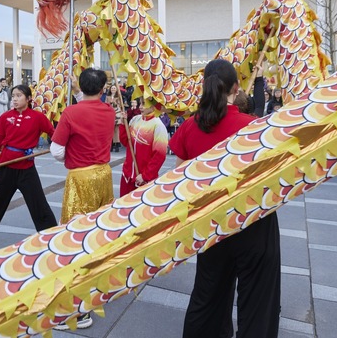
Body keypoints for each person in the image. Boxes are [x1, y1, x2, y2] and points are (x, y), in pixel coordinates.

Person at [168, 59, 280, 338]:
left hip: (210, 224)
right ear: (236, 87)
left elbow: (178, 179)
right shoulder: (253, 126)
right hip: (253, 220)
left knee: (208, 298)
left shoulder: (190, 127)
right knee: (257, 302)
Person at [50, 68, 115, 331]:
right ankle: (97, 286)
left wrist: (69, 158)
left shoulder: (71, 113)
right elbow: (89, 103)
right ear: (102, 89)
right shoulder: (109, 111)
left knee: (75, 239)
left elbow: (55, 150)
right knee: (98, 234)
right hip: (104, 176)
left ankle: (77, 310)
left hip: (81, 179)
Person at [0, 85, 57, 244]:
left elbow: (55, 135)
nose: (14, 99)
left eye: (19, 95)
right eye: (13, 96)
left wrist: (63, 146)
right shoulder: (6, 117)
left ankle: (51, 236)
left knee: (39, 204)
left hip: (27, 169)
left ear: (28, 99)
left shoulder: (38, 117)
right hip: (5, 167)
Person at [118, 107, 168, 196]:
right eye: (140, 103)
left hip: (143, 179)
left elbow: (159, 155)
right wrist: (123, 123)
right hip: (127, 176)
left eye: (144, 103)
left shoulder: (158, 126)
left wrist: (145, 176)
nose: (140, 106)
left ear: (153, 106)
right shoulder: (135, 120)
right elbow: (126, 142)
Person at [105, 84, 124, 152]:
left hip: (117, 113)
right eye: (112, 88)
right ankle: (111, 143)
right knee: (110, 129)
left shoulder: (119, 96)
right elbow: (105, 104)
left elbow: (121, 105)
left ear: (116, 90)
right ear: (110, 89)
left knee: (116, 129)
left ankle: (117, 144)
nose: (113, 89)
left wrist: (115, 103)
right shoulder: (107, 97)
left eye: (114, 88)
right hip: (110, 113)